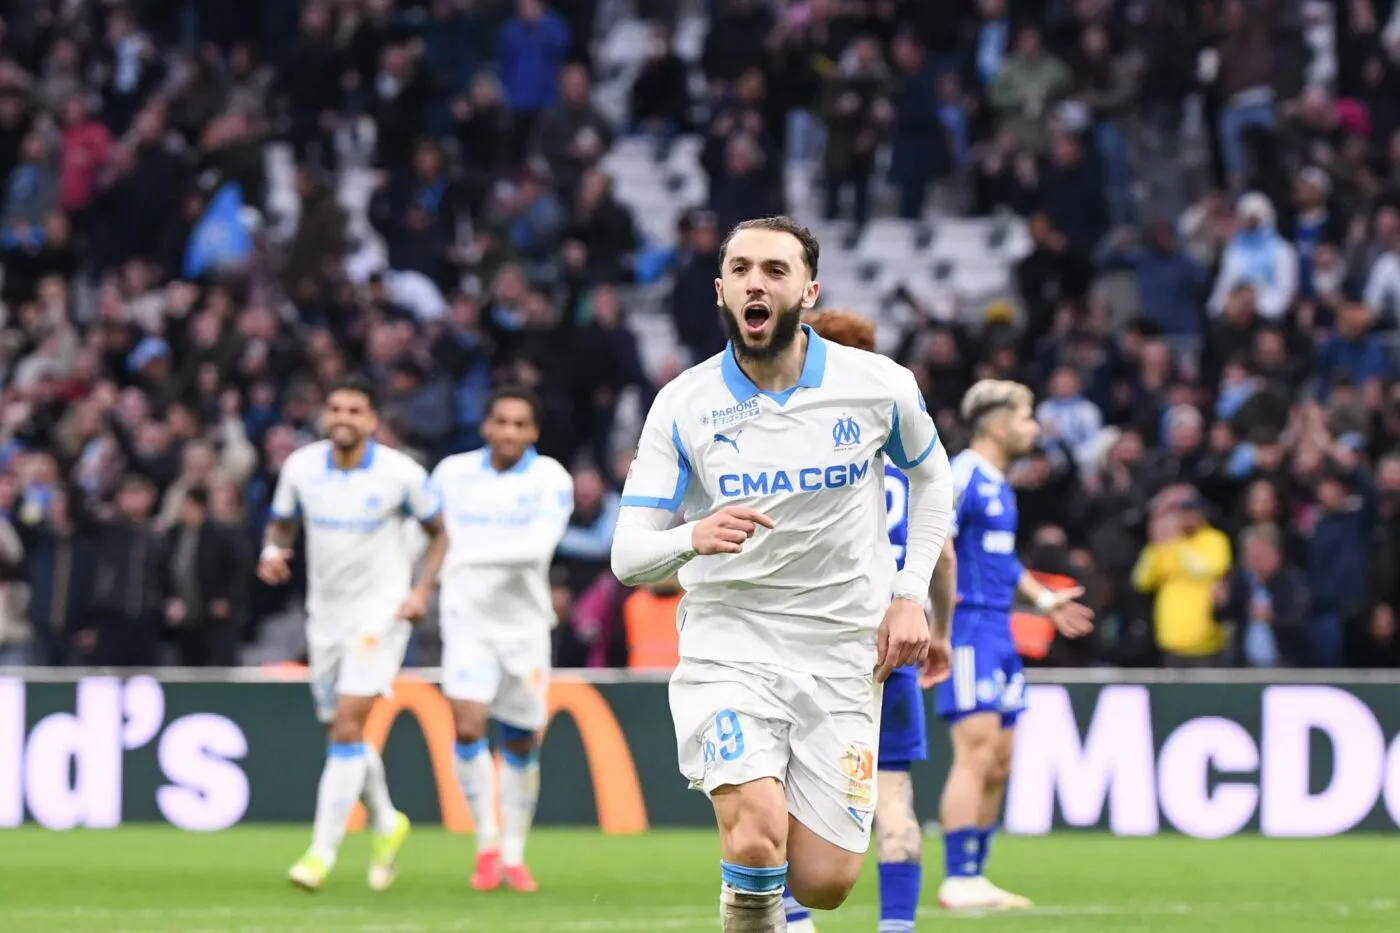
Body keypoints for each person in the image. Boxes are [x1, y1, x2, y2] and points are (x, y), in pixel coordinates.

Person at [610, 216, 956, 933]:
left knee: (824, 881)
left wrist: (909, 591)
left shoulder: (878, 385)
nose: (755, 283)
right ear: (720, 291)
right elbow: (627, 555)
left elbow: (933, 480)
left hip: (842, 650)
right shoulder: (683, 403)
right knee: (756, 832)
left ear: (809, 289)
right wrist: (692, 536)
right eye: (740, 270)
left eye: (774, 269)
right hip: (730, 645)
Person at [783, 309, 959, 933]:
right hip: (892, 640)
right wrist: (940, 632)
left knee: (784, 784)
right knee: (894, 794)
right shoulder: (907, 454)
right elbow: (943, 556)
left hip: (809, 637)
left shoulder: (797, 446)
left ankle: (794, 919)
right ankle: (897, 927)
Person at [258, 373, 449, 893]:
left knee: (346, 727)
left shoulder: (400, 474)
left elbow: (439, 533)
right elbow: (281, 521)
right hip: (325, 617)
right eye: (336, 409)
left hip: (380, 616)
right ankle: (387, 822)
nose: (343, 418)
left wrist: (419, 592)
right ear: (326, 415)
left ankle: (320, 855)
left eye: (354, 410)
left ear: (371, 420)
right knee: (341, 730)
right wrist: (272, 551)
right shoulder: (301, 468)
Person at [935, 379, 1094, 910]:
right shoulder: (961, 475)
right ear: (997, 424)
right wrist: (934, 617)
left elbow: (1001, 561)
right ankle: (956, 878)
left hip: (999, 628)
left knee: (1001, 758)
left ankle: (975, 874)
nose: (1034, 428)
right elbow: (933, 542)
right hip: (967, 628)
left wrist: (1043, 601)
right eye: (1026, 417)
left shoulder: (999, 483)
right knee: (976, 752)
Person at [428, 385, 574, 893]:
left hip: (525, 625)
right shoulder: (451, 474)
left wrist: (462, 559)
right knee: (468, 725)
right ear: (486, 426)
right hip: (467, 620)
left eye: (520, 424)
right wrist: (417, 583)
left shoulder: (550, 478)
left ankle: (514, 853)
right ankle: (487, 845)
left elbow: (537, 549)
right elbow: (423, 530)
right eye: (502, 422)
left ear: (533, 432)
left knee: (520, 739)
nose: (509, 431)